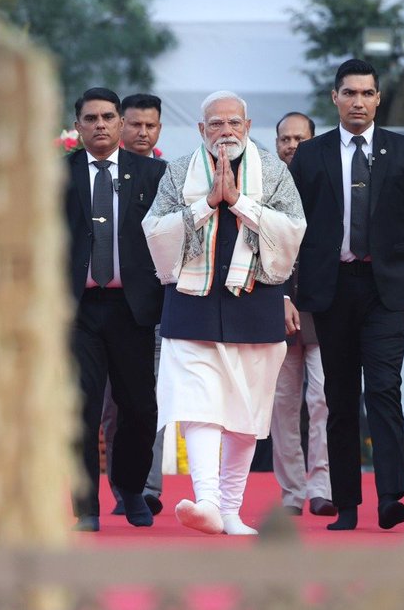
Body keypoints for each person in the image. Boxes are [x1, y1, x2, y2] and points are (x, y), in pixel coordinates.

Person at [287, 59, 404, 531]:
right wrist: (286, 293)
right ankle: (347, 503)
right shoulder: (311, 156)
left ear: (378, 99)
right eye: (350, 93)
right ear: (335, 98)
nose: (359, 102)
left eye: (368, 93)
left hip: (387, 290)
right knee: (337, 397)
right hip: (330, 290)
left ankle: (391, 496)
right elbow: (291, 230)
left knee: (383, 389)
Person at [143, 91, 306, 536]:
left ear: (249, 127)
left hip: (255, 302)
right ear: (201, 130)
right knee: (199, 405)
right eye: (216, 124)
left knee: (246, 412)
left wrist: (239, 203)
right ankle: (209, 502)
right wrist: (205, 204)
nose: (226, 132)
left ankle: (230, 511)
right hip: (191, 302)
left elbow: (294, 230)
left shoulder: (272, 171)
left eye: (234, 123)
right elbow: (155, 231)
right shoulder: (179, 171)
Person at [64, 88, 167, 532]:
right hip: (77, 310)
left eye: (108, 117)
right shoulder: (56, 175)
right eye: (91, 118)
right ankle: (86, 505)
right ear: (78, 125)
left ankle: (129, 488)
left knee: (140, 409)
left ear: (121, 123)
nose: (100, 125)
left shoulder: (154, 174)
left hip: (133, 309)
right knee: (81, 409)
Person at [103, 92, 165, 516]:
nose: (142, 132)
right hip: (102, 307)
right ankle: (121, 487)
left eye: (151, 125)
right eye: (135, 124)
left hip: (155, 310)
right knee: (110, 407)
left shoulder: (168, 176)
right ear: (121, 125)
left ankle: (147, 487)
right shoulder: (96, 174)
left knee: (147, 403)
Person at [269, 112, 334, 516]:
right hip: (275, 308)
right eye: (285, 139)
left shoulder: (328, 180)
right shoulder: (263, 186)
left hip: (323, 309)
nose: (292, 145)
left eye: (300, 138)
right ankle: (291, 493)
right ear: (275, 143)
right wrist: (277, 298)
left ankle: (322, 488)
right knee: (282, 404)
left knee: (324, 398)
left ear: (313, 141)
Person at [120, 93, 163, 159]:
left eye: (150, 126)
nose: (143, 133)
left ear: (159, 128)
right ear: (120, 125)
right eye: (136, 125)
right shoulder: (104, 168)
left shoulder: (169, 169)